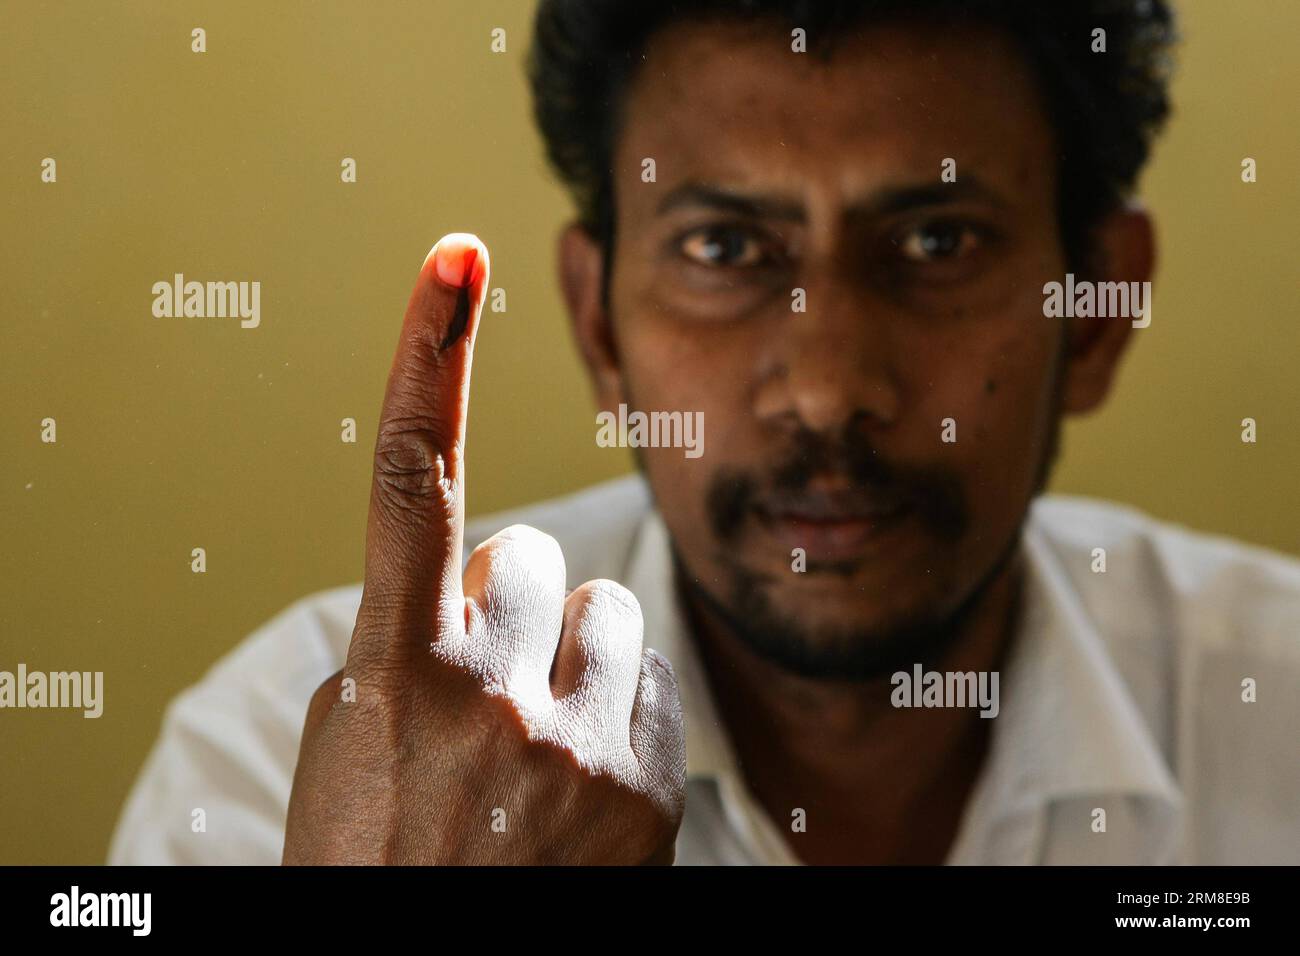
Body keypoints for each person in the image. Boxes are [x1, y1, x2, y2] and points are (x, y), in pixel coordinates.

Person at [109, 0, 1300, 865]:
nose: (828, 389)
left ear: (1094, 312)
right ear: (598, 326)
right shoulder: (284, 770)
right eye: (725, 250)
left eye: (938, 242)